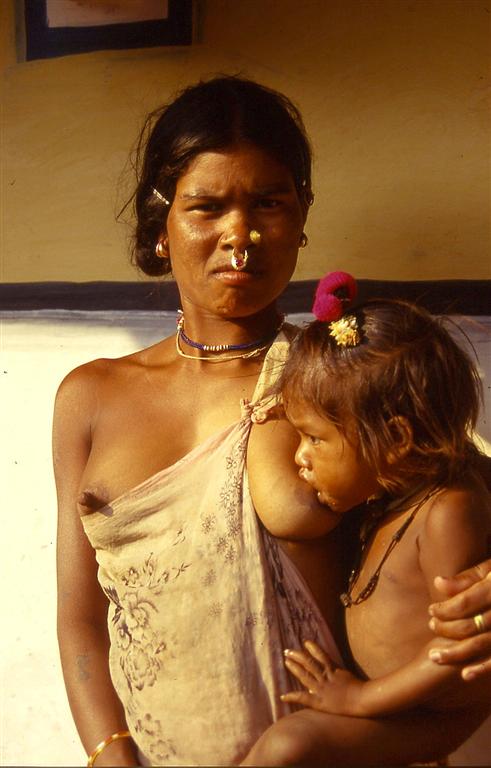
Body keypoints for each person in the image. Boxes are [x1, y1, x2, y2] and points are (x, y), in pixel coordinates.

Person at [53, 76, 491, 768]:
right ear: (159, 227)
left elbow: (455, 479)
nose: (241, 235)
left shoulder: (343, 380)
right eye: (206, 207)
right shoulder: (91, 397)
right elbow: (80, 619)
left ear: (301, 214)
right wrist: (110, 755)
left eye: (269, 203)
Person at [241, 275, 491, 766]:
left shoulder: (448, 511)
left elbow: (460, 647)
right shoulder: (385, 496)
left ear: (396, 440)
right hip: (394, 705)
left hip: (429, 717)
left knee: (290, 745)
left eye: (314, 438)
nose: (300, 458)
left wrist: (358, 700)